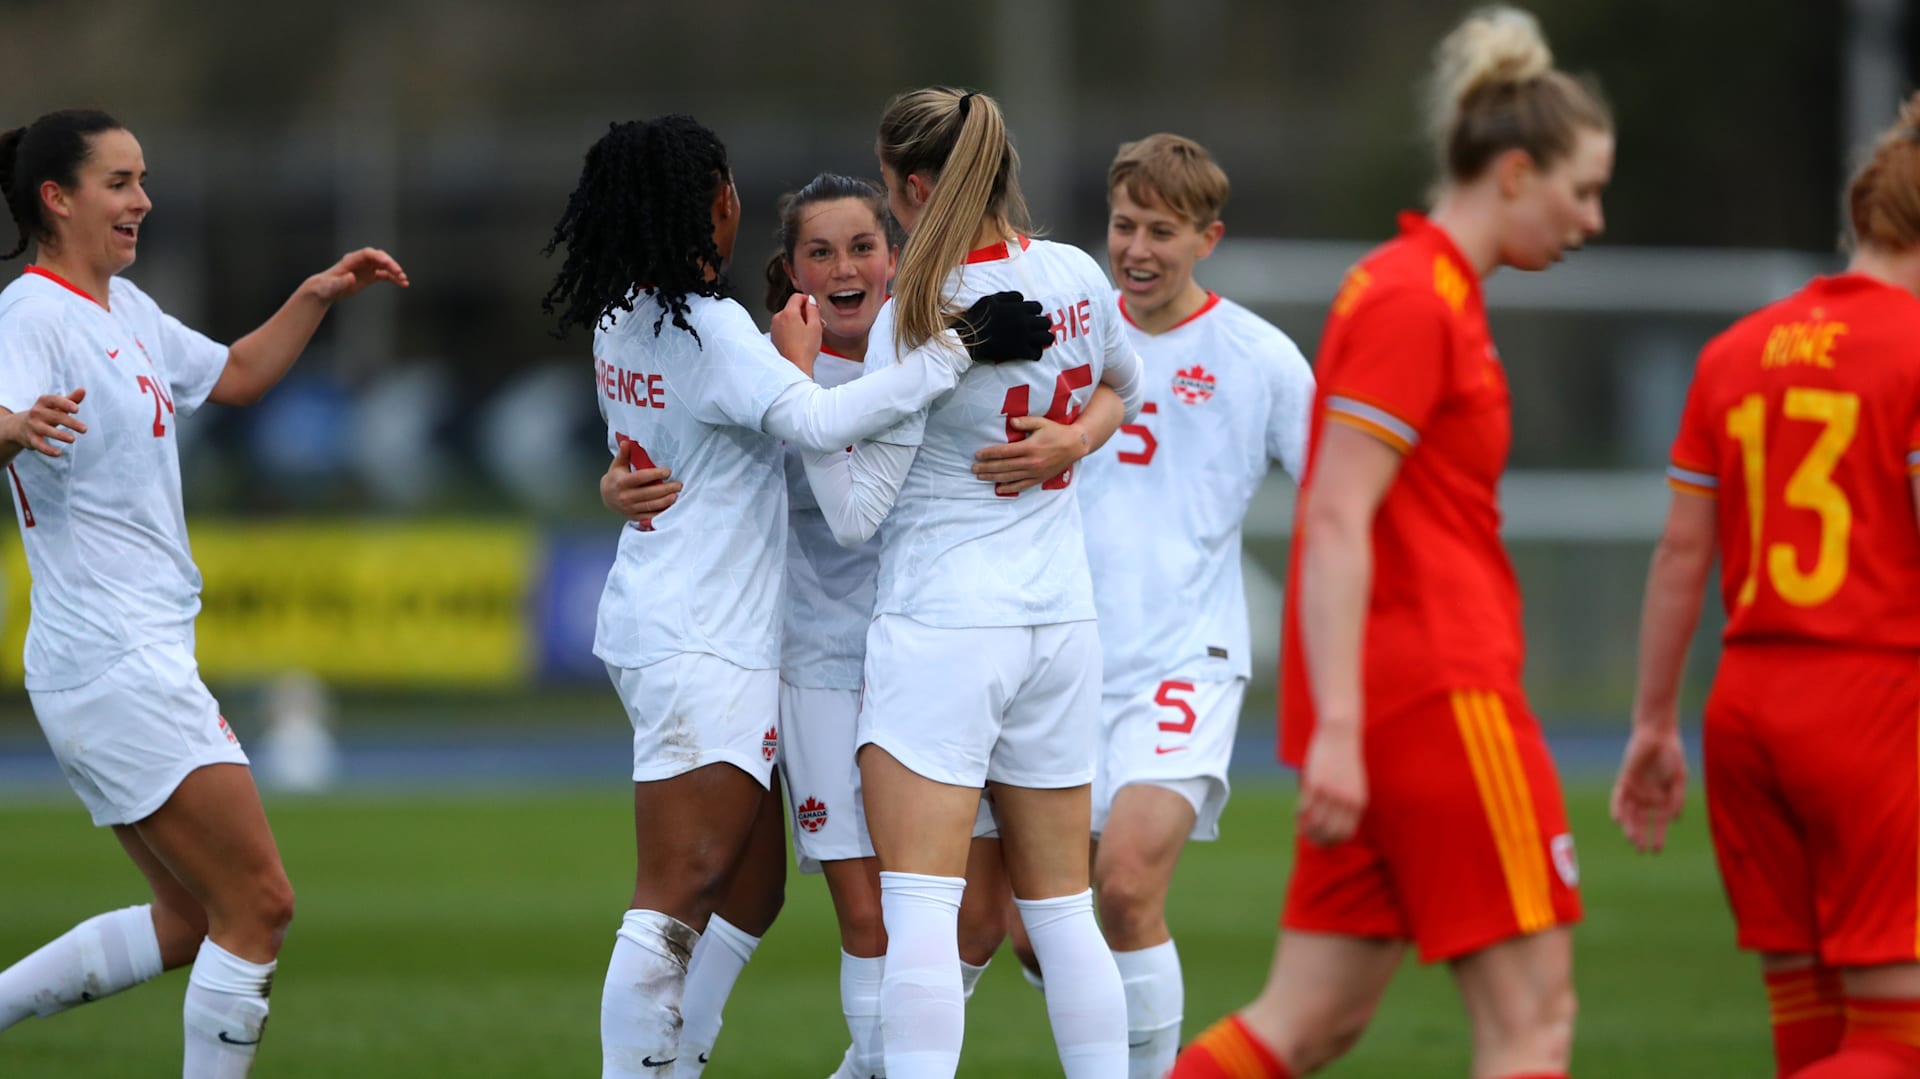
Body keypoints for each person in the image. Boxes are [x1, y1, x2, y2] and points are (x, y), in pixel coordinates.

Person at [541, 114, 1051, 1079]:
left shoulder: (625, 313)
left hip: (679, 622)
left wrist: (619, 480)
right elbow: (814, 418)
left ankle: (680, 1059)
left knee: (749, 889)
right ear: (718, 207)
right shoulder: (720, 329)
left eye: (862, 245)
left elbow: (659, 445)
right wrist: (955, 351)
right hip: (714, 639)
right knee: (678, 891)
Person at [1171, 8, 1612, 1077]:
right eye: (1583, 188)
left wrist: (1342, 723)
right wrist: (1342, 730)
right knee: (1534, 1024)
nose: (1591, 217)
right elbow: (1333, 514)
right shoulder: (1418, 298)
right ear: (1514, 172)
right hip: (1437, 699)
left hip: (1389, 708)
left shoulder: (1426, 289)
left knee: (1305, 1022)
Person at [0, 109, 408, 1076]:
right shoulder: (33, 313)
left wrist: (313, 296)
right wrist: (13, 426)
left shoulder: (122, 310)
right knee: (259, 903)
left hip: (127, 654)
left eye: (143, 178)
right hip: (111, 658)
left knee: (192, 918)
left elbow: (233, 375)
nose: (143, 200)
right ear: (57, 198)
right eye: (120, 182)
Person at [793, 85, 1144, 1079]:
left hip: (947, 624)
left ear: (911, 185)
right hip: (1060, 624)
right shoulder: (1074, 271)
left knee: (919, 910)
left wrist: (804, 393)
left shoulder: (920, 308)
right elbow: (1130, 381)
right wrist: (1073, 436)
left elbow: (857, 512)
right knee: (1063, 910)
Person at [1612, 92, 1920, 1079]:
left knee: (1815, 1028)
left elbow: (1679, 556)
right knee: (1893, 1042)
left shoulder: (1734, 351)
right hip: (1873, 699)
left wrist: (1654, 721)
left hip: (1746, 707)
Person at [1004, 131, 1314, 1079]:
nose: (1137, 249)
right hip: (1061, 659)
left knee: (1128, 884)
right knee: (1029, 927)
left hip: (1188, 658)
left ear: (1206, 238)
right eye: (1124, 225)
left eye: (1163, 231)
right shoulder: (1065, 327)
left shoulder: (1260, 358)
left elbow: (1342, 495)